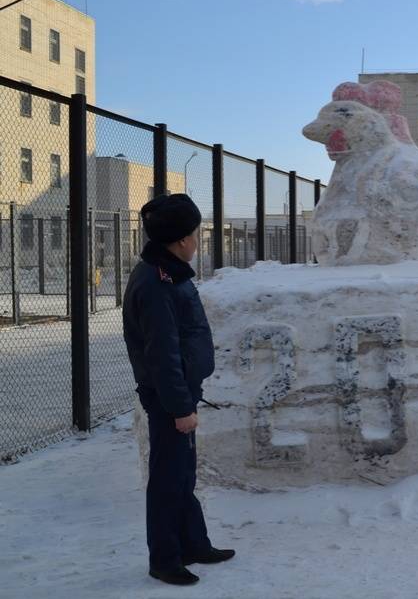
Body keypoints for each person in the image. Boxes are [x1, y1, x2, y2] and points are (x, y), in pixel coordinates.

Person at [123, 193, 234, 586]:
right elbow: (162, 354)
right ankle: (165, 558)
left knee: (182, 475)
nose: (197, 239)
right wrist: (180, 407)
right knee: (169, 479)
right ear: (181, 239)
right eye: (195, 233)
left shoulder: (168, 272)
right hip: (171, 399)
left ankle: (193, 543)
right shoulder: (156, 282)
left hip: (180, 393)